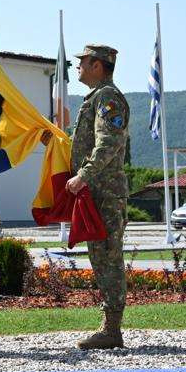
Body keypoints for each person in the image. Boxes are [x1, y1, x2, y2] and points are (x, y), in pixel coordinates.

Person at [65, 44, 130, 349]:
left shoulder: (107, 97)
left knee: (108, 256)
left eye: (83, 62)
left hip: (105, 192)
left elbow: (108, 142)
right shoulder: (97, 97)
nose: (78, 66)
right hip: (97, 194)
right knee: (100, 255)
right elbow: (88, 141)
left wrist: (84, 175)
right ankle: (109, 327)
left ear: (97, 65)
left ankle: (112, 330)